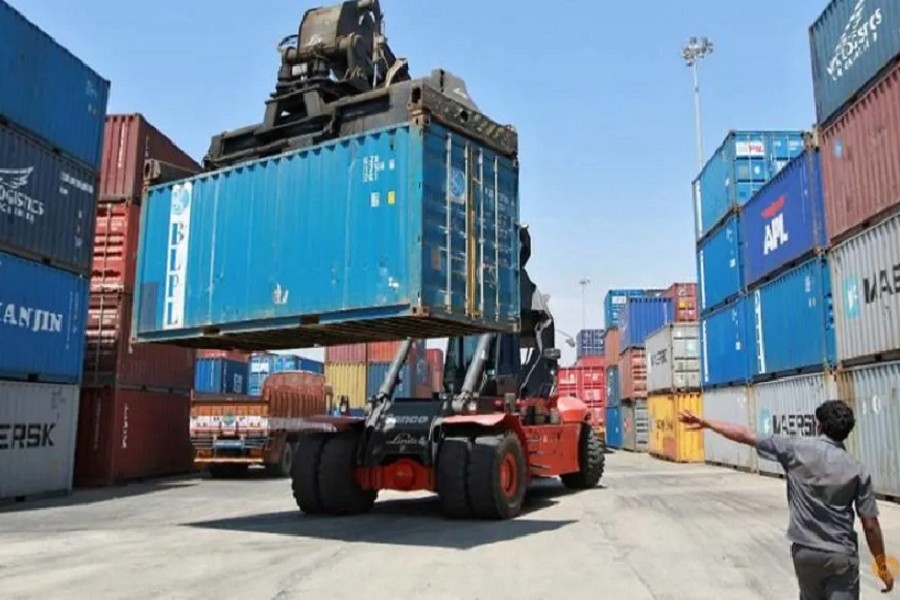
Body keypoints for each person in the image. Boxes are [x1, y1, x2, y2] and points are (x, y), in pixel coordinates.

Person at [679, 399, 894, 598]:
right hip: (840, 556)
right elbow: (871, 525)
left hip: (805, 554)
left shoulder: (795, 450)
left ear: (819, 425)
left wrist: (707, 423)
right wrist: (882, 566)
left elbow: (746, 434)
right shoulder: (857, 470)